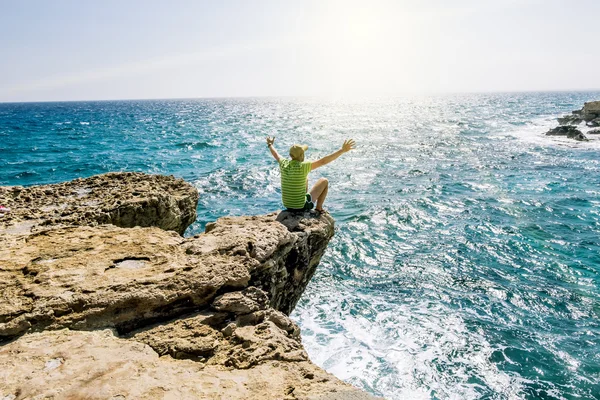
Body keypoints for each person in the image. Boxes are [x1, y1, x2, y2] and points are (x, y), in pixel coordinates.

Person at [266, 137, 356, 213]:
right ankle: (319, 208)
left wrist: (270, 144)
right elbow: (323, 161)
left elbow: (276, 154)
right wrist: (342, 150)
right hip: (301, 206)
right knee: (324, 181)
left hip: (288, 205)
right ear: (302, 155)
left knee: (306, 179)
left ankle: (302, 200)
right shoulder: (303, 167)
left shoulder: (283, 163)